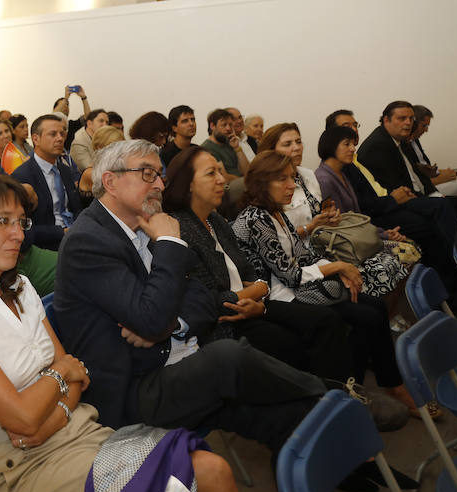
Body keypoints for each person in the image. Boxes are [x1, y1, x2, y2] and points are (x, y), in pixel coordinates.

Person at [0, 169, 249, 492]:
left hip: (82, 429)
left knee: (213, 471)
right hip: (25, 467)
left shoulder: (20, 286)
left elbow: (78, 377)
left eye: (21, 221)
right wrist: (61, 375)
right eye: (3, 222)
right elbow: (27, 414)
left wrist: (52, 409)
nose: (19, 234)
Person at [55, 139, 326, 458]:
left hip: (178, 357)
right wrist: (170, 243)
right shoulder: (88, 241)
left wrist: (171, 323)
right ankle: (331, 394)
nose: (159, 184)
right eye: (147, 173)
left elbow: (198, 296)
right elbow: (151, 318)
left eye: (160, 175)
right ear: (110, 182)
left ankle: (329, 462)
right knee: (228, 357)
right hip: (136, 388)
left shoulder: (146, 223)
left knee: (289, 418)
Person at [232, 151, 423, 418]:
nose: (291, 186)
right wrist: (338, 267)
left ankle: (378, 385)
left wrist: (338, 270)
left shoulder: (275, 212)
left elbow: (304, 255)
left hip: (294, 286)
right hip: (275, 295)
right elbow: (290, 275)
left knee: (375, 307)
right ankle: (345, 397)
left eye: (292, 179)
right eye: (282, 180)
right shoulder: (255, 219)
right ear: (261, 183)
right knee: (358, 316)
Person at [163, 146, 359, 393]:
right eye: (211, 173)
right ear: (188, 184)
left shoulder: (216, 221)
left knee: (322, 325)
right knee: (300, 336)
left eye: (220, 172)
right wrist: (253, 294)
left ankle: (334, 396)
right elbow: (209, 301)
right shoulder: (179, 228)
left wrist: (259, 293)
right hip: (224, 322)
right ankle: (327, 400)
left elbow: (252, 273)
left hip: (252, 305)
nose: (222, 180)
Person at [326, 109, 457, 293]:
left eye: (355, 125)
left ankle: (453, 276)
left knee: (445, 207)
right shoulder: (341, 166)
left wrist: (396, 195)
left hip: (386, 205)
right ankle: (453, 277)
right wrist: (393, 201)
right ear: (331, 135)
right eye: (346, 127)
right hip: (378, 215)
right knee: (431, 219)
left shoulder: (353, 159)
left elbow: (379, 187)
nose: (353, 130)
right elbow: (360, 210)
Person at [314, 126, 410, 297]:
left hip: (359, 236)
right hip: (345, 246)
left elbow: (357, 218)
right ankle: (395, 315)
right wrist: (384, 235)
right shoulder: (324, 179)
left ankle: (402, 312)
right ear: (331, 147)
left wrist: (382, 232)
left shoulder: (341, 173)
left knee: (410, 249)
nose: (353, 148)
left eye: (353, 144)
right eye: (347, 144)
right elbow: (343, 225)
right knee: (406, 253)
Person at [356, 101, 457, 216]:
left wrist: (434, 193)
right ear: (386, 120)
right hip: (398, 203)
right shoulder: (378, 146)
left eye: (411, 118)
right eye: (402, 118)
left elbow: (418, 175)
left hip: (419, 194)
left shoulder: (399, 139)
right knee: (452, 204)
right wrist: (431, 198)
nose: (408, 123)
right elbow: (396, 187)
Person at [11, 115, 83, 251]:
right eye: (53, 134)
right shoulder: (23, 176)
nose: (60, 138)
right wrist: (61, 232)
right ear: (36, 139)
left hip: (75, 236)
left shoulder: (65, 170)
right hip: (47, 245)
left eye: (62, 134)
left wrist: (80, 226)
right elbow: (23, 227)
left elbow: (76, 207)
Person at [258, 123, 339, 242]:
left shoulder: (308, 174)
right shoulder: (267, 184)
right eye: (287, 144)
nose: (296, 148)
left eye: (298, 142)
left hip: (325, 243)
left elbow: (317, 211)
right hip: (296, 255)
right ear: (271, 151)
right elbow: (273, 238)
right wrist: (310, 227)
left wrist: (329, 218)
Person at [408, 105, 457, 200]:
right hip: (425, 189)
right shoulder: (404, 145)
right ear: (414, 123)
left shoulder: (415, 141)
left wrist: (441, 172)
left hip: (430, 180)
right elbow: (415, 180)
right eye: (424, 126)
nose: (426, 130)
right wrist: (442, 178)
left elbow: (424, 168)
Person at [200, 108, 249, 178]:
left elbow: (246, 171)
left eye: (230, 125)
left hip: (240, 182)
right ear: (212, 126)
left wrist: (237, 148)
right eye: (224, 125)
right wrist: (246, 181)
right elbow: (223, 176)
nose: (228, 128)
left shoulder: (230, 143)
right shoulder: (207, 148)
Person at [53, 85, 91, 150]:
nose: (66, 107)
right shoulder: (47, 122)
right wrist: (66, 98)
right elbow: (57, 114)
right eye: (63, 104)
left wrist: (84, 97)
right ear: (54, 108)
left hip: (67, 158)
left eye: (67, 105)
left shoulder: (71, 125)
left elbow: (88, 118)